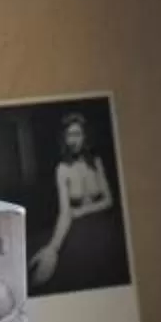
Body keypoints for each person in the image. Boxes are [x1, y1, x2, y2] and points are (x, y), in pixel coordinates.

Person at [30, 110, 118, 290]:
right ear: (64, 139)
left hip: (104, 224)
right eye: (69, 135)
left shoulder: (96, 162)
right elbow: (65, 212)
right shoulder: (62, 169)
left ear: (85, 136)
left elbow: (109, 200)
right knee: (48, 264)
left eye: (78, 134)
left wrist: (81, 211)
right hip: (77, 226)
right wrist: (53, 247)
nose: (73, 140)